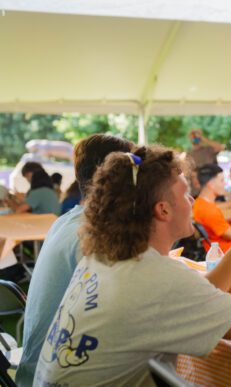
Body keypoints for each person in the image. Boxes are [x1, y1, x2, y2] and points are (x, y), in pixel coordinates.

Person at [33, 145, 231, 386]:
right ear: (163, 209)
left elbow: (192, 295)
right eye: (185, 192)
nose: (192, 199)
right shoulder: (156, 277)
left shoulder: (104, 257)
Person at [16, 134, 134, 386]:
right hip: (57, 376)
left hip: (35, 371)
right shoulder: (94, 233)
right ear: (117, 175)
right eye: (134, 167)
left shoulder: (68, 221)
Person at [193, 164, 231, 252]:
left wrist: (227, 220)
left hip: (221, 249)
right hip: (230, 252)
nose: (224, 184)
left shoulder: (199, 203)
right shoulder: (209, 210)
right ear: (211, 184)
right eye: (222, 180)